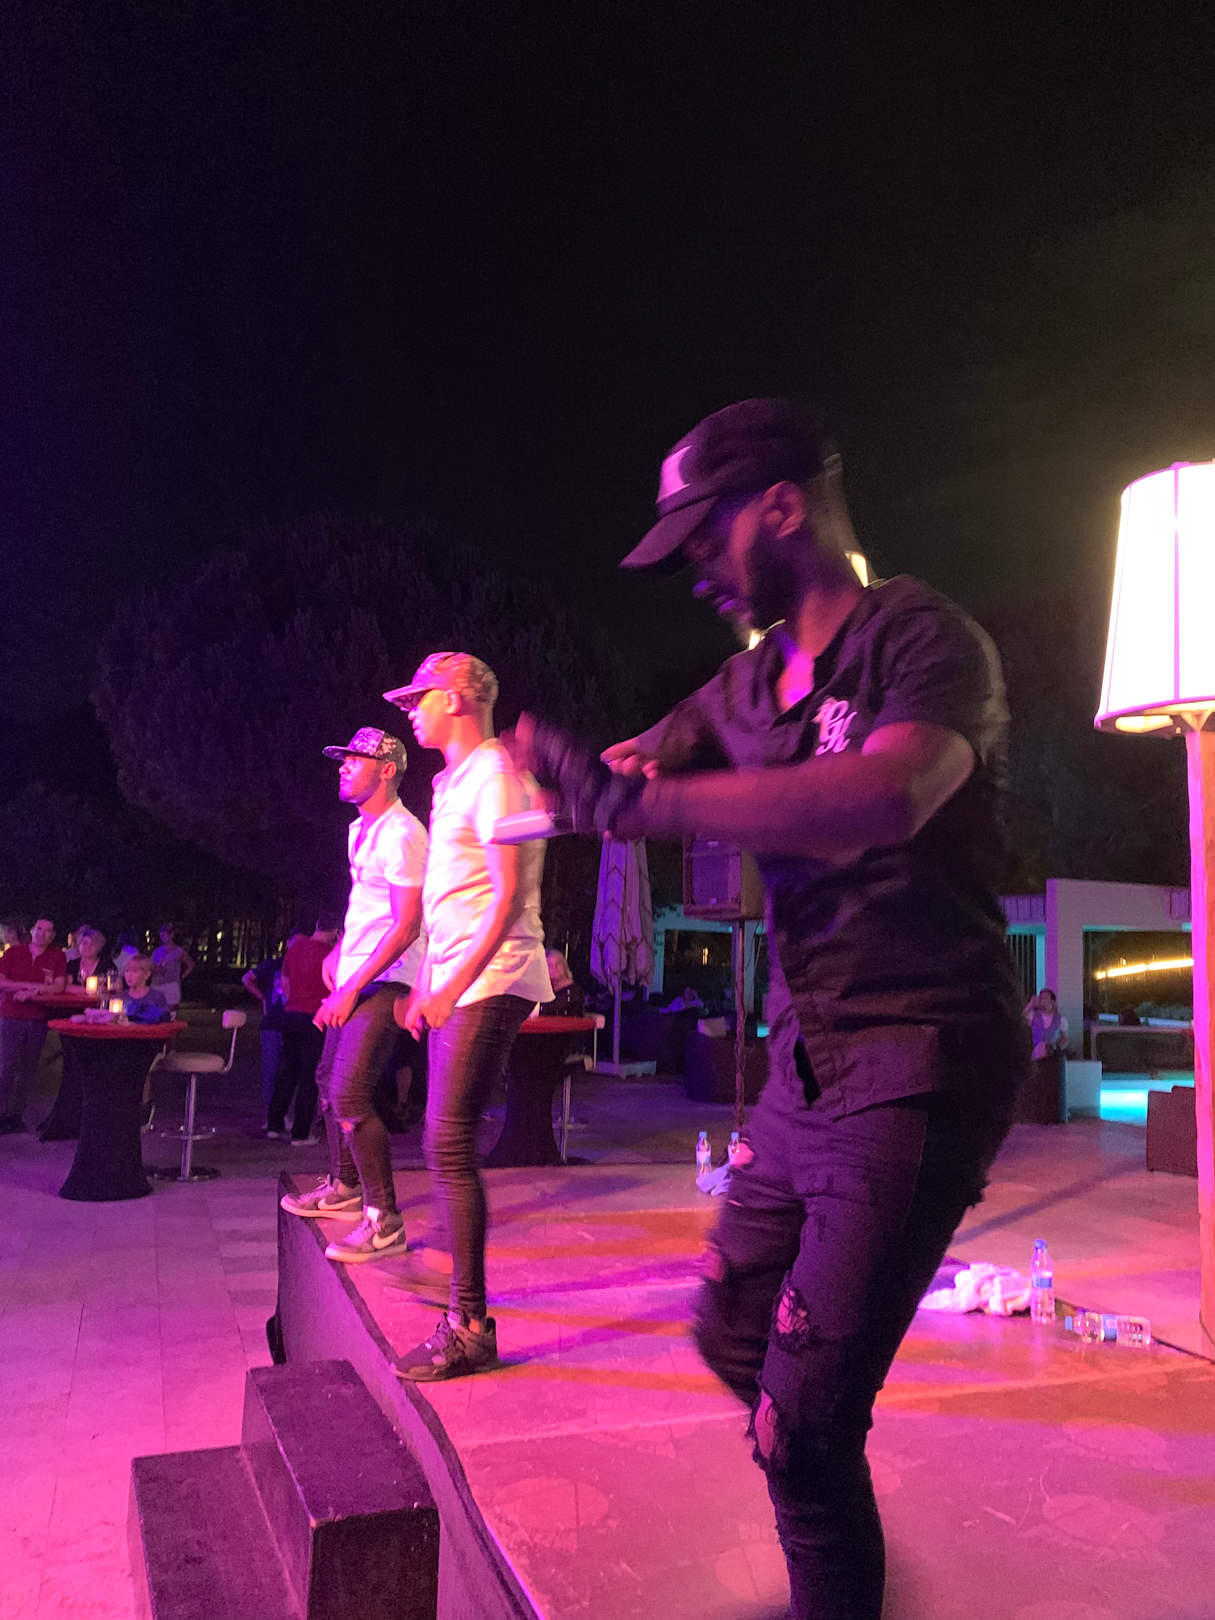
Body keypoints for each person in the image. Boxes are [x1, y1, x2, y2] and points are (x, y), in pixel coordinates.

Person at [515, 398, 1028, 1620]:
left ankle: (820, 1503)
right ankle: (826, 1495)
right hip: (807, 1065)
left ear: (783, 508)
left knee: (800, 1432)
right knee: (733, 1334)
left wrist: (642, 808)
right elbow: (649, 755)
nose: (695, 568)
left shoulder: (925, 640)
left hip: (922, 1059)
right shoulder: (741, 687)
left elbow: (888, 795)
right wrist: (592, 768)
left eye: (706, 536)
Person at [385, 651, 552, 1381]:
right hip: (463, 978)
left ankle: (469, 1326)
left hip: (494, 976)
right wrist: (428, 983)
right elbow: (451, 901)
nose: (410, 711)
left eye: (417, 698)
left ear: (454, 698)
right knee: (442, 1140)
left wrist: (451, 987)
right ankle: (453, 1288)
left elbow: (509, 895)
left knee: (448, 1142)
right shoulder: (453, 782)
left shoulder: (494, 776)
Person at [279, 728, 426, 1265]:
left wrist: (353, 987)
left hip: (388, 980)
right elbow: (369, 908)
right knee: (326, 1080)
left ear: (386, 770)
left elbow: (407, 925)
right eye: (341, 760)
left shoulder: (403, 833)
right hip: (358, 974)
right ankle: (344, 1187)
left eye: (353, 760)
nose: (342, 767)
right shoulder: (359, 830)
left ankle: (385, 1221)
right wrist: (339, 951)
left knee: (350, 1093)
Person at [267, 913, 342, 1142]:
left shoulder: (295, 949)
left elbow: (285, 983)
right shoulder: (331, 954)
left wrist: (294, 1002)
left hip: (292, 1014)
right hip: (316, 1018)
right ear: (336, 931)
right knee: (309, 1075)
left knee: (287, 1071)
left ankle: (274, 1125)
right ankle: (300, 1133)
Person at [0, 916, 68, 1133]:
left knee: (28, 1069)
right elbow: (1, 982)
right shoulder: (14, 953)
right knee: (6, 1067)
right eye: (39, 929)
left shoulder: (57, 956)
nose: (42, 933)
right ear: (32, 931)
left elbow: (58, 987)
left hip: (38, 1018)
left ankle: (15, 1115)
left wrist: (31, 993)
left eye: (48, 931)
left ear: (53, 936)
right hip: (11, 1017)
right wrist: (30, 986)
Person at [244, 938, 298, 1129]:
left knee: (288, 1072)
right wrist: (262, 998)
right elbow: (247, 978)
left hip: (293, 1023)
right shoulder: (273, 965)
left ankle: (283, 1113)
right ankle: (272, 1115)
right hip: (272, 1024)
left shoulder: (302, 964)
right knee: (271, 1071)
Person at [151, 924, 195, 1010]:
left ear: (171, 935)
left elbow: (190, 964)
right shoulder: (157, 951)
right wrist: (156, 969)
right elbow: (151, 966)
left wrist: (182, 976)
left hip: (171, 984)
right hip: (157, 983)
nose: (162, 938)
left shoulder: (178, 951)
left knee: (171, 1010)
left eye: (164, 935)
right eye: (161, 936)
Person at [120, 954, 172, 1023]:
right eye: (127, 971)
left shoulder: (157, 997)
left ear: (147, 974)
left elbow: (165, 1020)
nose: (129, 975)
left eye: (134, 971)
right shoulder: (120, 997)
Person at [1025, 987, 1068, 1058]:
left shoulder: (1060, 1019)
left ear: (1052, 1001)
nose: (1042, 1000)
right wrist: (1030, 1004)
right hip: (1033, 1055)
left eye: (1045, 998)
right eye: (1041, 998)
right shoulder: (1032, 1015)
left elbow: (1065, 1039)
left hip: (1051, 1057)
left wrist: (1056, 1049)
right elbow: (1020, 1021)